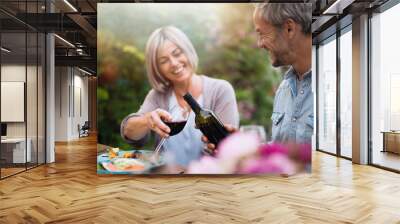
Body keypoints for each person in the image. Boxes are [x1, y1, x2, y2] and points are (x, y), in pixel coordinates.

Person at [120, 26, 239, 167]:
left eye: (177, 53)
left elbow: (228, 151)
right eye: (164, 61)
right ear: (157, 68)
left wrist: (220, 148)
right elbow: (129, 133)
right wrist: (147, 120)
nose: (174, 63)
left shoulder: (220, 90)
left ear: (187, 51)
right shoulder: (158, 96)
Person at [204, 2, 313, 151]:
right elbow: (280, 150)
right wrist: (239, 148)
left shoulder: (332, 86)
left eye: (262, 33)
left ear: (289, 28)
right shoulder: (284, 89)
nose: (260, 43)